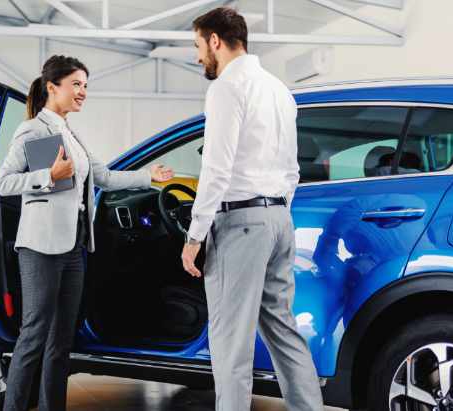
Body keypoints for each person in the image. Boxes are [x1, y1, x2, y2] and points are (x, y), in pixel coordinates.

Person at [0, 55, 174, 411]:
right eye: (76, 84)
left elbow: (104, 176)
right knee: (34, 335)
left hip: (74, 246)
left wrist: (147, 176)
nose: (83, 92)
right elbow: (4, 183)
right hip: (41, 248)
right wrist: (48, 176)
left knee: (61, 342)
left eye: (86, 86)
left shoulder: (70, 133)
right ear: (52, 87)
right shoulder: (34, 129)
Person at [179, 7, 325, 410]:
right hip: (280, 219)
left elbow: (216, 167)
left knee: (230, 342)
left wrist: (194, 235)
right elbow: (293, 168)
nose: (197, 57)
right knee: (282, 328)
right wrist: (274, 212)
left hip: (240, 221)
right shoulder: (279, 90)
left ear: (215, 40)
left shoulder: (226, 87)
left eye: (197, 46)